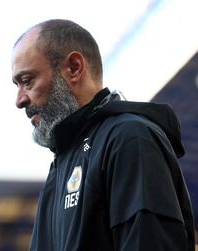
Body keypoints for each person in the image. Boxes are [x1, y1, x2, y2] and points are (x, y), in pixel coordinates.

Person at [11, 19, 195, 251]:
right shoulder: (60, 166)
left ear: (74, 68)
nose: (19, 100)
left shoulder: (129, 138)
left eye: (27, 81)